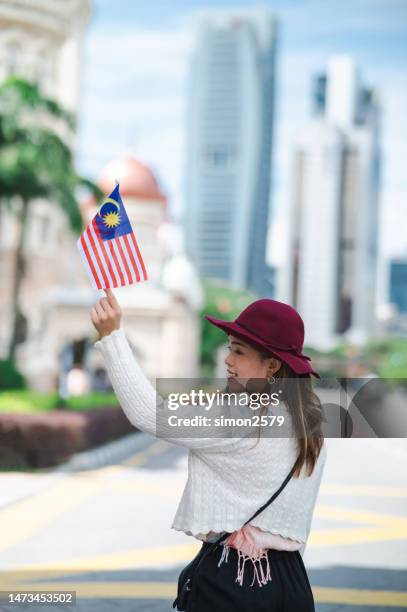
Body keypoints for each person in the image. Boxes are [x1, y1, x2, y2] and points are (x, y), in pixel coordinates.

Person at [91, 288, 327, 611]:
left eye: (239, 352)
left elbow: (151, 414)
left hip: (234, 582)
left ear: (272, 366)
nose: (228, 360)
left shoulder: (242, 415)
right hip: (293, 584)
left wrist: (112, 338)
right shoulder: (309, 427)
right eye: (230, 349)